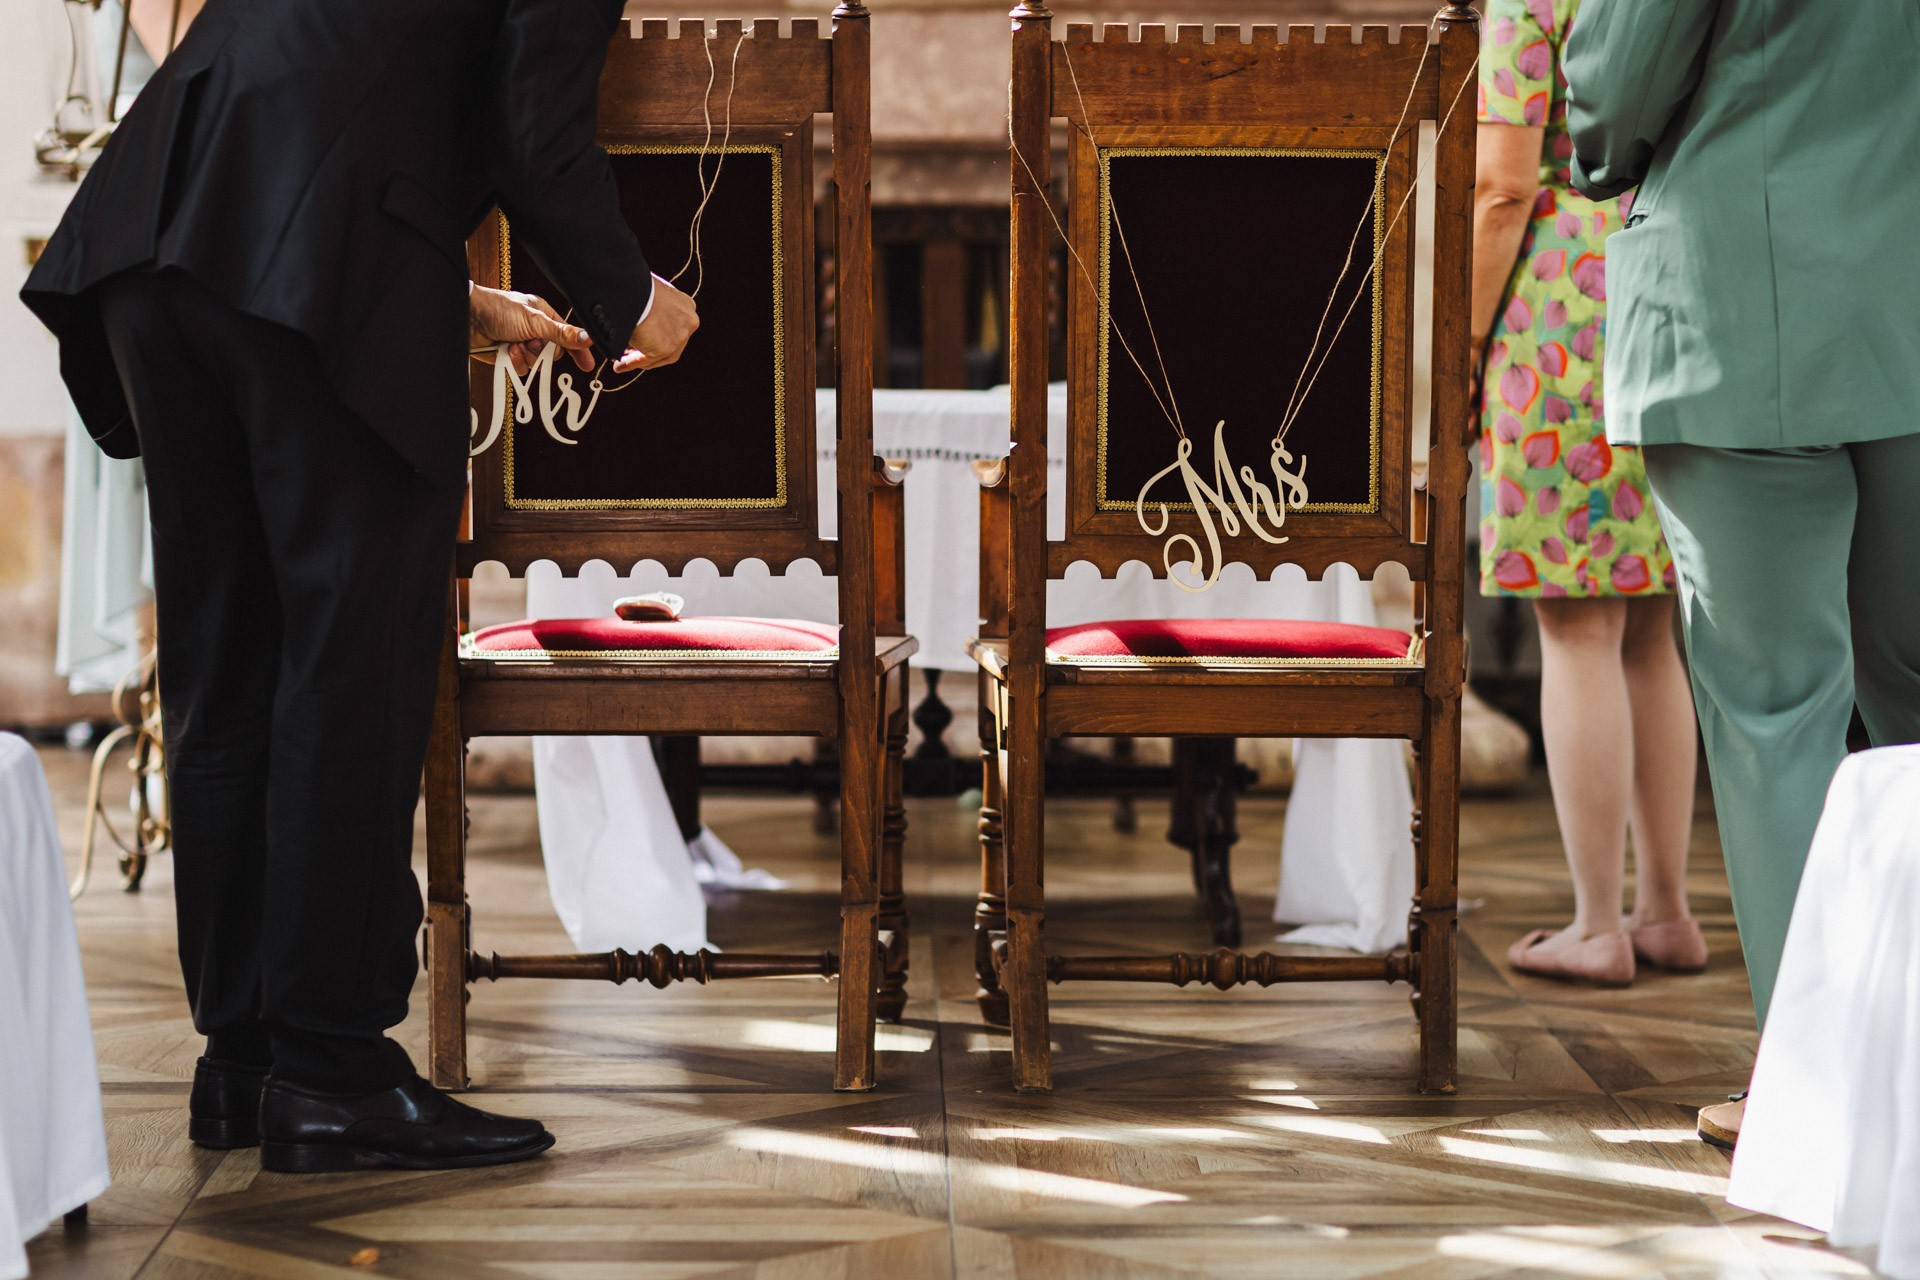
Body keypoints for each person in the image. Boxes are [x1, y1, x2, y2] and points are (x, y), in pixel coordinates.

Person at [21, 0, 699, 1173]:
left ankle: (245, 1057)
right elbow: (533, 130)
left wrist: (469, 299)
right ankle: (332, 1067)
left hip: (161, 232)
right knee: (354, 663)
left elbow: (338, 79)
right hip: (293, 249)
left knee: (223, 654)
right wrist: (637, 298)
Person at [1564, 0, 1920, 1146]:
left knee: (1778, 709)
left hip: (1741, 293)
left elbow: (1618, 82)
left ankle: (1824, 1096)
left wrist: (1599, 147)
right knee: (1912, 695)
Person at [1471, 0, 1703, 988]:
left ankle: (1595, 924)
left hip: (1564, 309)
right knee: (1652, 626)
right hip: (1671, 278)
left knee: (1576, 625)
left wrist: (1450, 347)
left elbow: (1501, 186)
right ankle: (1666, 910)